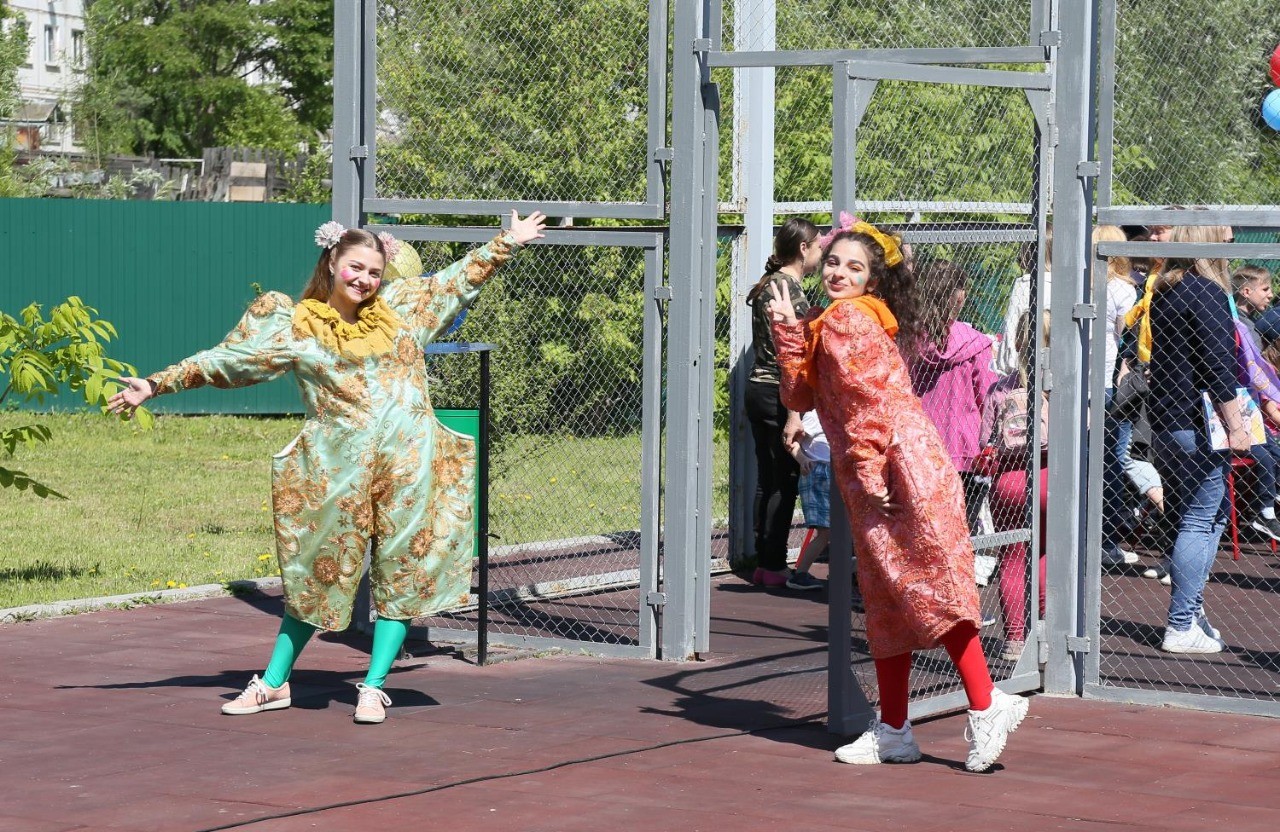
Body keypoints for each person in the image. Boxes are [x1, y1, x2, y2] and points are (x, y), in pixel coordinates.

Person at [108, 211, 549, 722]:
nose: (364, 279)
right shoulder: (296, 326)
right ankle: (273, 683)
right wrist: (156, 383)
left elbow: (459, 277)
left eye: (374, 272)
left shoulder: (405, 310)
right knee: (316, 573)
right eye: (355, 267)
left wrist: (509, 240)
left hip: (411, 465)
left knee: (403, 571)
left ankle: (373, 686)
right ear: (332, 262)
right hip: (334, 471)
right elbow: (226, 360)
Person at [768, 212, 1029, 772]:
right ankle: (893, 730)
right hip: (887, 466)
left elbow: (866, 404)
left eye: (854, 267)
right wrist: (788, 329)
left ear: (873, 279)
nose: (838, 273)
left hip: (897, 468)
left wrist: (868, 470)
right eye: (833, 262)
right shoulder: (835, 319)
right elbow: (800, 396)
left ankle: (986, 703)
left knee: (929, 586)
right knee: (888, 599)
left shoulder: (848, 320)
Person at [1146, 225, 1250, 654]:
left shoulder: (1165, 290)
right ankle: (1181, 623)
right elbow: (1217, 366)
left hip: (1166, 421)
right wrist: (1238, 425)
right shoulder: (1206, 292)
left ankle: (1191, 610)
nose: (1228, 247)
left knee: (1205, 515)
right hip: (1196, 422)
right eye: (1224, 240)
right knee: (1199, 518)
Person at [745, 218, 822, 587]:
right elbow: (791, 354)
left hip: (758, 388)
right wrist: (795, 411)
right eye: (819, 247)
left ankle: (764, 559)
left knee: (768, 476)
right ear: (803, 248)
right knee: (785, 479)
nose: (822, 254)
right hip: (778, 390)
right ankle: (774, 563)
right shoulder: (787, 289)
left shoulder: (770, 283)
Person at [907, 260, 997, 535]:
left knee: (922, 530)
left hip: (920, 446)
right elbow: (987, 396)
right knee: (960, 531)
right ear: (958, 297)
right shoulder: (974, 342)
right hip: (965, 449)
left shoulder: (908, 340)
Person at [981, 309, 1049, 663]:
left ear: (1019, 343)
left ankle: (1014, 639)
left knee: (1011, 557)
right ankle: (1046, 630)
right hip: (1048, 476)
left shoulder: (1000, 388)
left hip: (1008, 479)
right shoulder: (1059, 387)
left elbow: (985, 440)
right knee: (1046, 552)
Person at [1098, 225, 1142, 568]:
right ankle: (1106, 541)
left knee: (1092, 460)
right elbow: (1129, 334)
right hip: (1108, 381)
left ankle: (1097, 539)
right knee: (1112, 461)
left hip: (1083, 381)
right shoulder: (1123, 288)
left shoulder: (1079, 282)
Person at [1230, 264, 1280, 541]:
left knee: (1273, 453)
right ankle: (1265, 513)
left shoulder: (1249, 323)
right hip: (1238, 404)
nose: (1270, 295)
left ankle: (1270, 504)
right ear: (1246, 291)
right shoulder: (1238, 323)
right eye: (1265, 289)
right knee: (1263, 455)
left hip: (1249, 402)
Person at [993, 225, 1051, 375]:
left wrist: (1007, 367)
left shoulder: (1024, 284)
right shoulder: (1069, 285)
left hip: (1025, 367)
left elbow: (1010, 328)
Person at [785, 410, 831, 591]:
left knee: (841, 529)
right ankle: (800, 574)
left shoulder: (837, 410)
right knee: (826, 531)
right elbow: (791, 441)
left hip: (834, 472)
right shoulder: (814, 414)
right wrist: (802, 459)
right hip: (818, 473)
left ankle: (843, 571)